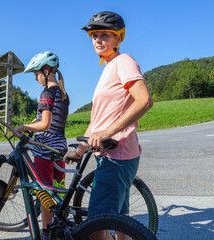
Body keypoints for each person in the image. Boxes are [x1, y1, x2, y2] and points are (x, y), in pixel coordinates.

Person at [63, 11, 153, 239]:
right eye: (94, 35)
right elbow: (98, 120)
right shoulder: (108, 68)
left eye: (105, 35)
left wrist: (107, 132)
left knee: (95, 225)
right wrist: (81, 149)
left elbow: (144, 101)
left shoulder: (124, 62)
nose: (98, 40)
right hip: (113, 154)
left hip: (117, 154)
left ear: (118, 38)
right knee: (121, 219)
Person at [14, 51, 69, 240]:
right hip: (59, 148)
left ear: (46, 71)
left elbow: (44, 124)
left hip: (45, 149)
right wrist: (31, 124)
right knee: (57, 190)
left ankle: (47, 233)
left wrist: (22, 127)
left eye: (36, 73)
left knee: (44, 192)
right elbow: (44, 119)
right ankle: (61, 227)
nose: (36, 78)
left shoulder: (46, 92)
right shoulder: (62, 92)